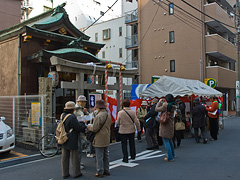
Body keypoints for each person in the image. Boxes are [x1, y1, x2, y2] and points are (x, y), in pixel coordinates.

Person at [87, 100, 112, 178]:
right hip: (107, 136)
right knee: (106, 154)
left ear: (98, 108)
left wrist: (88, 126)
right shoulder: (108, 115)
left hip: (99, 137)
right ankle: (107, 170)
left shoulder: (98, 116)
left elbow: (94, 128)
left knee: (99, 155)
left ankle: (100, 171)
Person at [61, 101, 86, 179]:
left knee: (65, 157)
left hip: (64, 137)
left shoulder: (62, 115)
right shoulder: (72, 117)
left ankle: (65, 173)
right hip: (72, 138)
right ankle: (76, 173)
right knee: (75, 156)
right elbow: (78, 128)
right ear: (73, 109)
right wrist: (83, 123)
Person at [155, 94, 176, 162]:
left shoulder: (165, 106)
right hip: (171, 124)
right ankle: (172, 154)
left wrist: (159, 102)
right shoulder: (173, 105)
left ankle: (170, 157)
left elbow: (156, 109)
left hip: (165, 125)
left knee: (166, 140)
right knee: (170, 140)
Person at [74, 95, 88, 170]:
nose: (83, 103)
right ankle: (77, 164)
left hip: (80, 129)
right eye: (82, 102)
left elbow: (86, 115)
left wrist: (85, 113)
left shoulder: (81, 109)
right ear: (79, 102)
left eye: (84, 102)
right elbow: (81, 118)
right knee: (78, 147)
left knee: (80, 146)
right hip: (77, 130)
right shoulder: (76, 109)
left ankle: (78, 162)